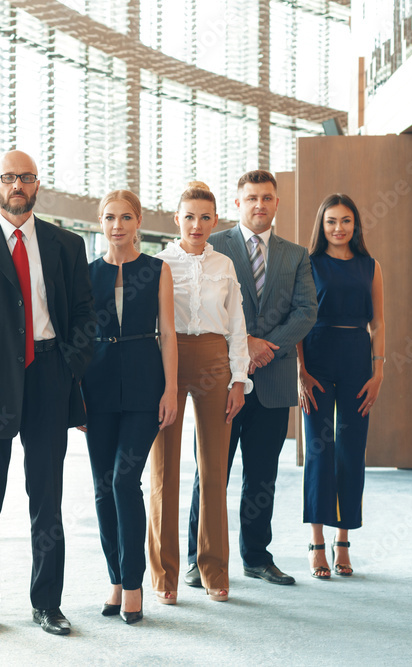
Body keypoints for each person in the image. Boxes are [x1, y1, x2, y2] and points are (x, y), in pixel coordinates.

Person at [0, 150, 95, 638]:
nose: (17, 185)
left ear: (36, 185)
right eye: (9, 177)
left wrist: (69, 368)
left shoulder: (67, 245)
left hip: (49, 377)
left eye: (25, 177)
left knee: (46, 500)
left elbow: (87, 317)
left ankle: (48, 603)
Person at [182, 170, 317, 589]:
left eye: (268, 197)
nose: (260, 204)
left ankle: (256, 557)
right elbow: (198, 307)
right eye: (252, 197)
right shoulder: (213, 244)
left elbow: (306, 312)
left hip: (273, 380)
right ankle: (195, 557)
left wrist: (266, 347)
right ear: (237, 204)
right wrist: (245, 343)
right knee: (211, 472)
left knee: (262, 476)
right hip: (221, 380)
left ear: (277, 203)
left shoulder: (295, 256)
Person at [150, 181, 251, 603]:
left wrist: (239, 379)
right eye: (189, 216)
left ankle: (213, 569)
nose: (197, 224)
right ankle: (164, 576)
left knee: (214, 470)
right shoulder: (157, 263)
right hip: (166, 361)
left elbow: (237, 323)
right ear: (177, 219)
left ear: (215, 220)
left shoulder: (225, 264)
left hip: (214, 359)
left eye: (205, 217)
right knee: (163, 472)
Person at [81, 190, 177, 624]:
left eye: (124, 217)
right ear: (100, 223)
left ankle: (135, 581)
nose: (116, 225)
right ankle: (116, 580)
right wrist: (76, 396)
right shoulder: (87, 274)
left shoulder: (157, 269)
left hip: (144, 386)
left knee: (123, 481)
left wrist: (171, 389)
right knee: (103, 486)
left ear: (138, 222)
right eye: (108, 218)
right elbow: (77, 339)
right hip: (97, 388)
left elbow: (169, 334)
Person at [297, 193, 384, 579]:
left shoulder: (370, 266)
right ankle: (317, 542)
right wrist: (300, 371)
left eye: (346, 220)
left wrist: (378, 371)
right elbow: (298, 320)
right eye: (331, 221)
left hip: (356, 361)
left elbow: (378, 323)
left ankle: (343, 540)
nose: (339, 228)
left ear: (355, 224)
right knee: (320, 450)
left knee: (351, 450)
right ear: (322, 225)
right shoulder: (308, 264)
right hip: (316, 357)